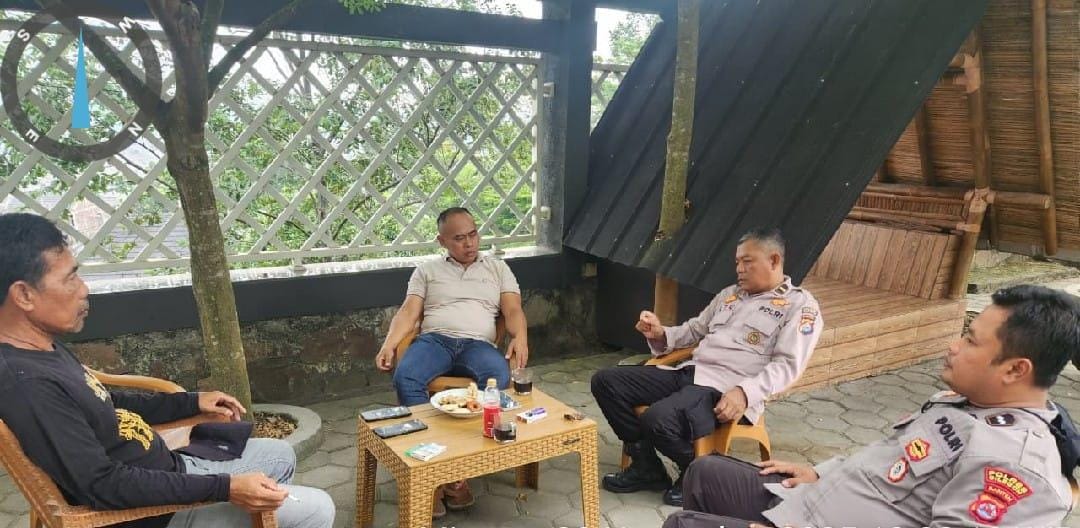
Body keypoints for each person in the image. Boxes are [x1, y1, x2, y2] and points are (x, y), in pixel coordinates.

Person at [0, 213, 334, 528]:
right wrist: (226, 488)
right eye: (70, 278)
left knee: (280, 454)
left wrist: (190, 402)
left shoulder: (43, 348)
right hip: (157, 514)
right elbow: (103, 485)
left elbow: (105, 400)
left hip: (168, 471)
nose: (83, 288)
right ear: (24, 295)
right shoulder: (28, 385)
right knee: (318, 509)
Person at [664, 284, 1080, 528]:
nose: (954, 346)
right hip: (817, 498)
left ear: (1015, 369)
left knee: (682, 524)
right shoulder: (963, 403)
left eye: (970, 340)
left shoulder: (1013, 465)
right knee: (704, 472)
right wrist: (819, 471)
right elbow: (891, 459)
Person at [591, 228, 822, 506]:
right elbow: (695, 330)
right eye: (737, 262)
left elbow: (787, 365)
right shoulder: (730, 295)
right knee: (607, 382)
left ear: (774, 260)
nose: (739, 269)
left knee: (658, 419)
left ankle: (698, 472)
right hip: (690, 373)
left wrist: (744, 393)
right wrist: (660, 333)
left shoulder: (799, 306)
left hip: (726, 389)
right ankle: (646, 467)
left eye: (747, 261)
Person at [374, 206, 528, 517]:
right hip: (435, 341)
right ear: (441, 241)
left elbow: (512, 310)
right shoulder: (426, 271)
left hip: (478, 344)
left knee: (498, 377)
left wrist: (521, 337)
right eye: (459, 238)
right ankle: (430, 469)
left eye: (473, 234)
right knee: (406, 377)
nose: (469, 243)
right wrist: (389, 344)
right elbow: (408, 312)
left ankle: (460, 471)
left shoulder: (498, 268)